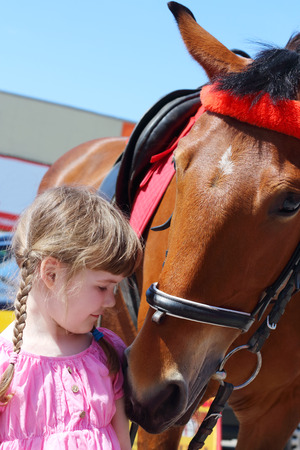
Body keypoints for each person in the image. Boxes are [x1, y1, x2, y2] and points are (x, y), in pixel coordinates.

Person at [0, 185, 143, 449]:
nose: (111, 301)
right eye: (102, 287)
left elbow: (123, 443)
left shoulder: (108, 352)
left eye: (114, 288)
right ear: (51, 274)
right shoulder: (4, 364)